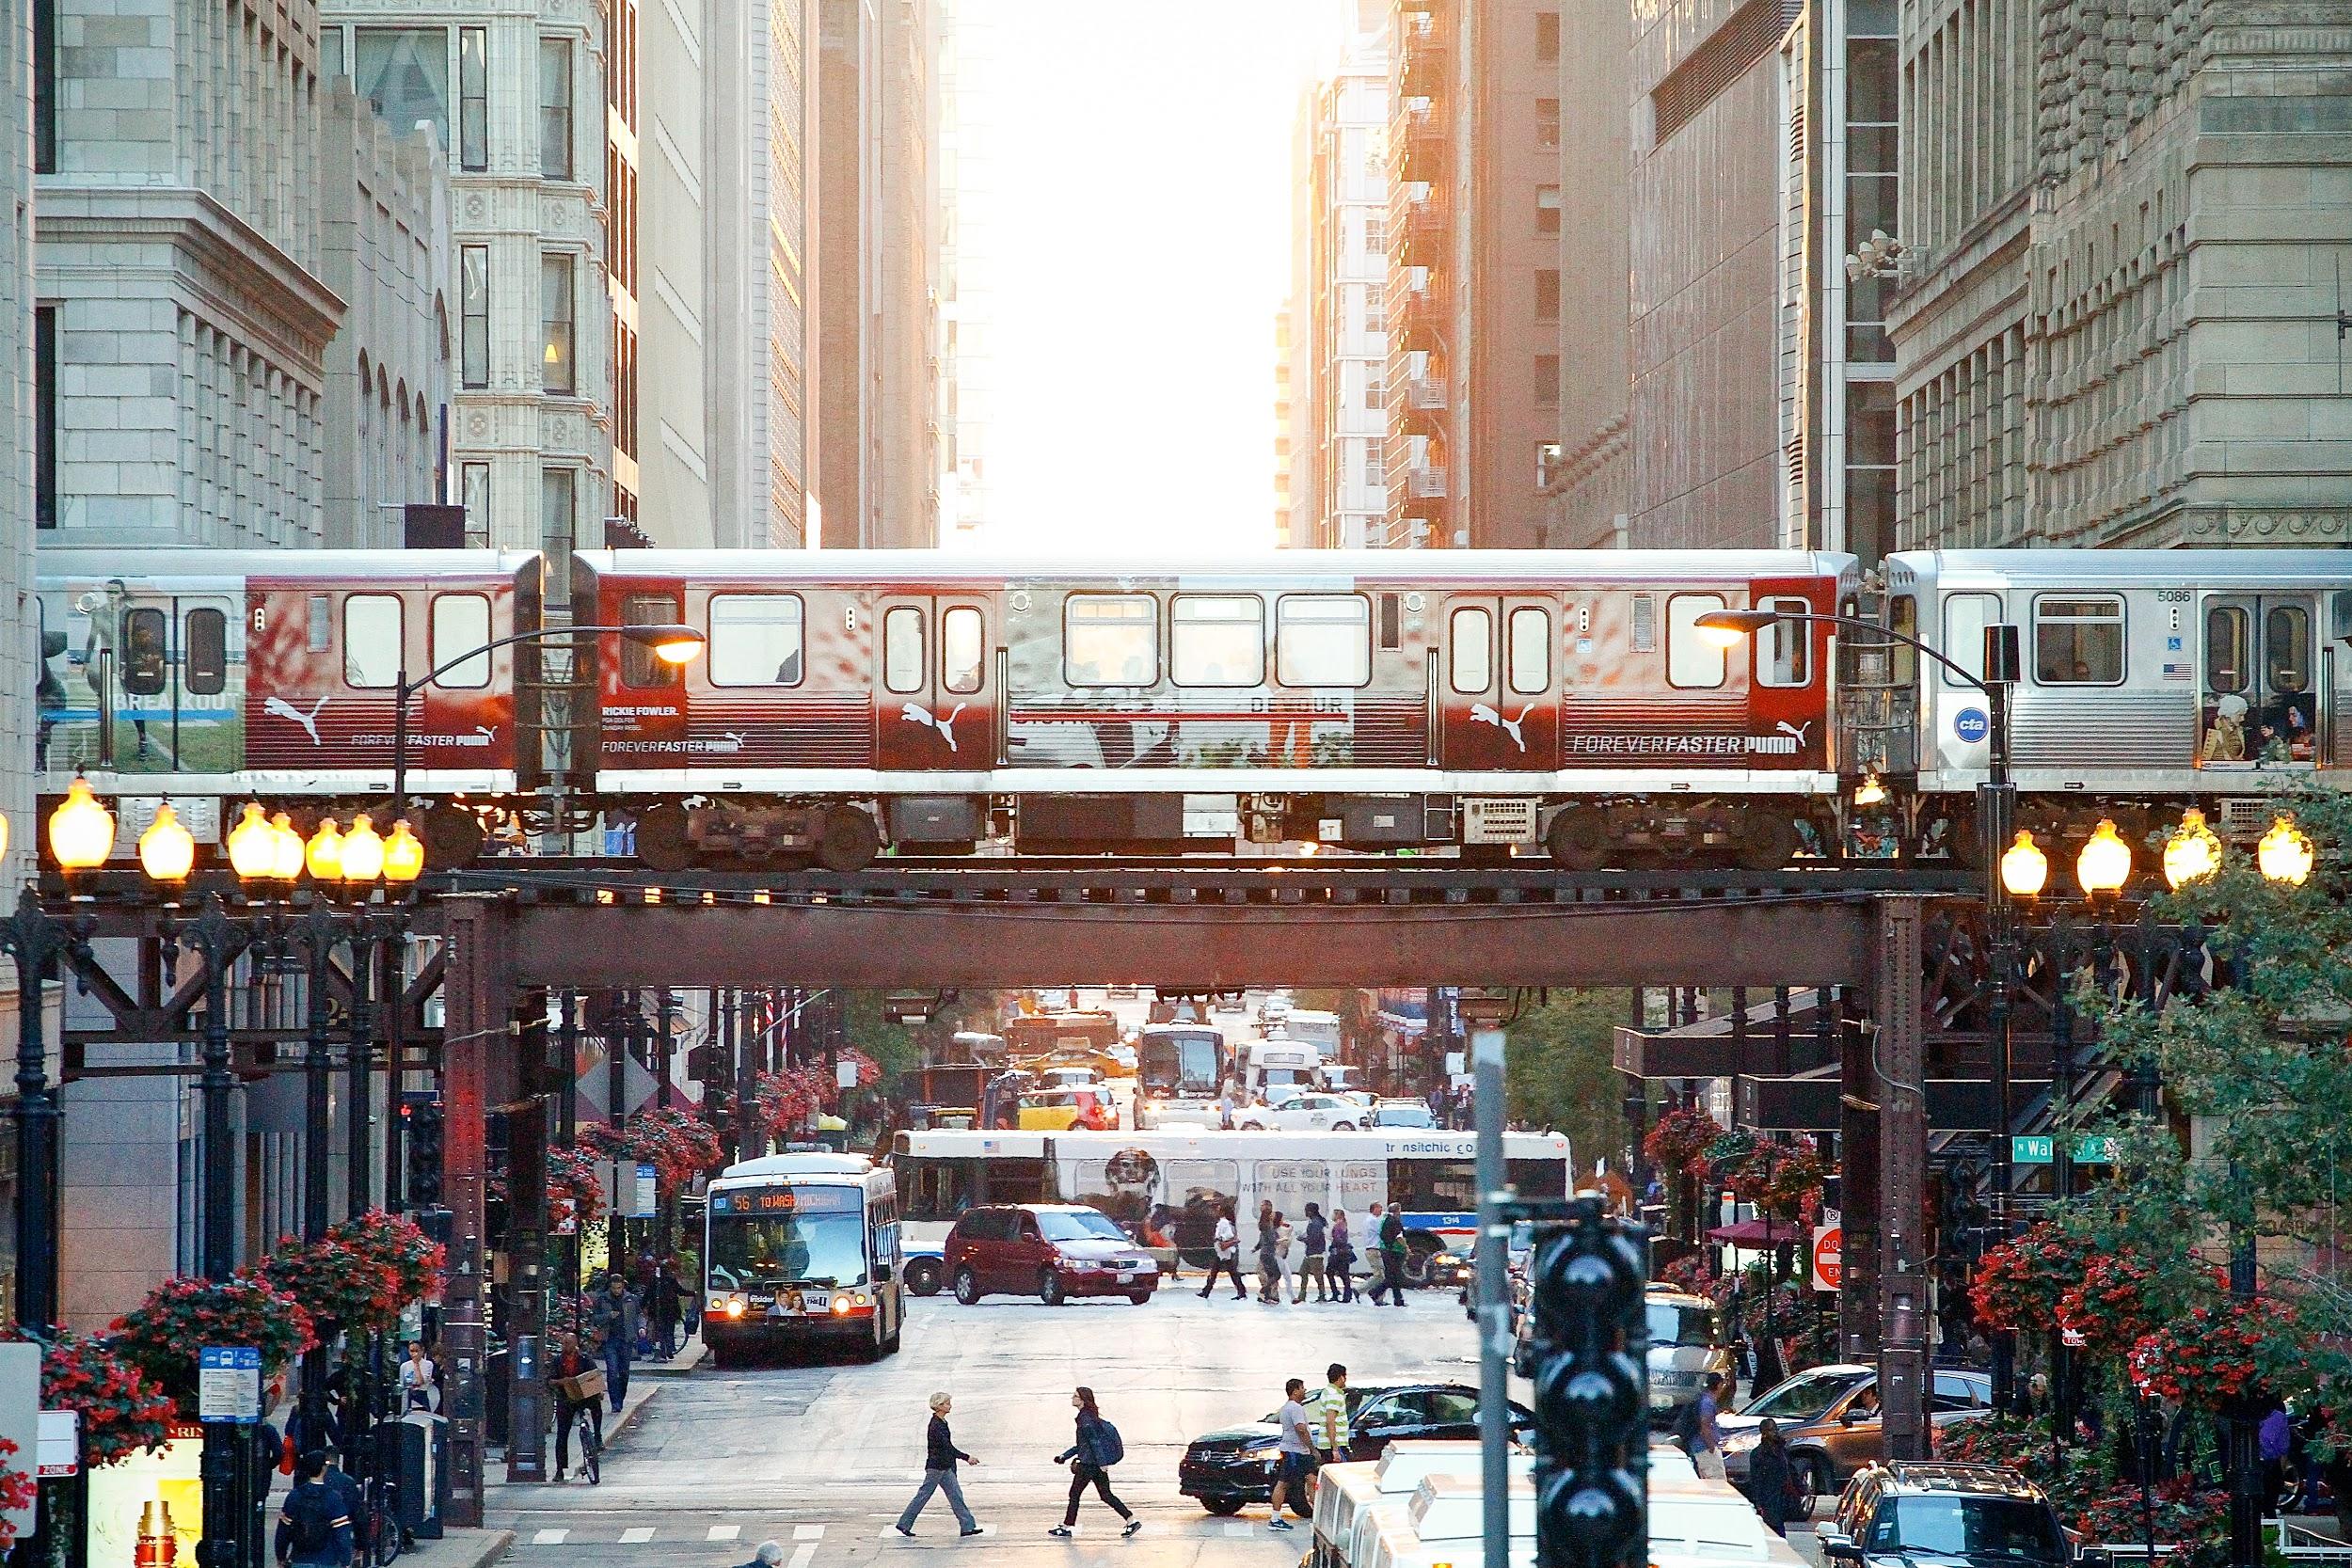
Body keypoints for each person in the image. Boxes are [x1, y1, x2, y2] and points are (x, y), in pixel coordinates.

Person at [1050, 1387, 1139, 1538]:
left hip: (1089, 1464)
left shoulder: (1086, 1419)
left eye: (1075, 1396)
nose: (1072, 1398)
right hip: (1094, 1463)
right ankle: (1131, 1521)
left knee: (1075, 1494)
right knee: (1105, 1495)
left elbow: (1094, 1442)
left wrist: (1102, 1463)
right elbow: (1083, 1445)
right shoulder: (1088, 1417)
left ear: (1083, 1400)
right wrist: (1064, 1456)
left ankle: (1066, 1527)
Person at [896, 1391, 984, 1538]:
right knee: (923, 1496)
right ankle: (904, 1523)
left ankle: (967, 1527)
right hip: (936, 1468)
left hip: (944, 1466)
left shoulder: (941, 1422)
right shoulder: (936, 1425)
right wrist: (966, 1457)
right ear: (939, 1406)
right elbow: (947, 1447)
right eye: (947, 1403)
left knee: (956, 1496)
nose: (950, 1405)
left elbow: (947, 1448)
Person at [276, 1450, 355, 1567]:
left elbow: (283, 1532)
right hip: (326, 1559)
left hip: (299, 1559)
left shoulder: (294, 1496)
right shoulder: (333, 1498)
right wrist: (346, 1560)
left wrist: (281, 1556)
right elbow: (342, 1534)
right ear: (324, 1469)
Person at [550, 1332, 602, 1482]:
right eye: (564, 1343)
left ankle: (597, 1436)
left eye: (568, 1343)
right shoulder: (558, 1361)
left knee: (596, 1407)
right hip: (566, 1398)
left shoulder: (585, 1359)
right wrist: (563, 1382)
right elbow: (550, 1380)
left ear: (575, 1344)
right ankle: (560, 1469)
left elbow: (594, 1375)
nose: (565, 1346)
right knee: (562, 1434)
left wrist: (598, 1391)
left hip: (584, 1396)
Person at [1266, 1378, 1315, 1530]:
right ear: (1295, 1391)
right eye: (1302, 1388)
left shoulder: (1287, 1408)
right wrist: (1312, 1448)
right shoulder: (1295, 1408)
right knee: (1284, 1483)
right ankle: (1275, 1519)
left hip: (1295, 1451)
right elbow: (1301, 1429)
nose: (1305, 1390)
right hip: (1295, 1452)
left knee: (1311, 1479)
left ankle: (1316, 1513)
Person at [590, 1272, 639, 1414]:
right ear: (610, 1287)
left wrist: (641, 1328)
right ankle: (615, 1402)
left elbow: (638, 1314)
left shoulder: (631, 1299)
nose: (616, 1291)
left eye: (619, 1287)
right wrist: (608, 1316)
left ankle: (620, 1397)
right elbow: (595, 1318)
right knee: (612, 1371)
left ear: (623, 1286)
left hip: (626, 1340)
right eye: (614, 1288)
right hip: (610, 1339)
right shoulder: (603, 1299)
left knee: (624, 1372)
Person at [1746, 1418, 1798, 1536]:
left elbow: (1791, 1470)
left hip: (1781, 1496)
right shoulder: (1758, 1454)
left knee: (1779, 1528)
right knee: (1774, 1530)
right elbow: (1755, 1479)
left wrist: (1800, 1488)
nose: (1775, 1432)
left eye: (1775, 1429)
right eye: (1771, 1430)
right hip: (1768, 1497)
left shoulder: (1781, 1450)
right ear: (1764, 1433)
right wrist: (1758, 1502)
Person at [1198, 1202, 1247, 1300]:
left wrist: (1220, 1238)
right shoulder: (1222, 1222)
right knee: (1218, 1271)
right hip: (1221, 1251)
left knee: (1228, 1272)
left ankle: (1207, 1291)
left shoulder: (1224, 1222)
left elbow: (1228, 1235)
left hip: (1223, 1252)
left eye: (1218, 1209)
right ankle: (1206, 1291)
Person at [1308, 1363, 1352, 1465]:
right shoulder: (1334, 1395)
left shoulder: (1327, 1392)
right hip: (1335, 1445)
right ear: (1341, 1377)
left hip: (1327, 1444)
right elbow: (1330, 1422)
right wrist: (1335, 1449)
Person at [1365, 1204, 1407, 1307]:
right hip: (1394, 1251)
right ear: (1398, 1211)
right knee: (1393, 1276)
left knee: (1393, 1276)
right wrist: (1407, 1247)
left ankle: (1398, 1299)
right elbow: (1399, 1237)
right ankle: (1375, 1292)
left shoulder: (1385, 1219)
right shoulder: (1395, 1221)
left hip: (1385, 1250)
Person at [1689, 1373, 1726, 1480]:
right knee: (1717, 1482)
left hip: (1701, 1448)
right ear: (1719, 1385)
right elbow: (1705, 1427)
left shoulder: (1704, 1400)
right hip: (1705, 1449)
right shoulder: (1707, 1403)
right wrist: (1711, 1447)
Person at [650, 1261, 686, 1359]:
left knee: (660, 1331)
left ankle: (662, 1351)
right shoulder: (671, 1279)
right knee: (669, 1330)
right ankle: (669, 1349)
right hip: (671, 1309)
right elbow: (680, 1291)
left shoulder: (655, 1281)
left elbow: (648, 1294)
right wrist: (692, 1293)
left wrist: (642, 1306)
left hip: (659, 1310)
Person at [1297, 1204, 1328, 1303]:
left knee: (1318, 1276)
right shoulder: (1314, 1222)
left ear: (1311, 1211)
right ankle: (1302, 1295)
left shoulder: (1315, 1223)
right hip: (1310, 1253)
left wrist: (1303, 1239)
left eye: (1306, 1210)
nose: (1305, 1212)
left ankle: (1322, 1294)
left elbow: (1314, 1239)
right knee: (1303, 1272)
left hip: (1315, 1253)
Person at [398, 1340, 438, 1414]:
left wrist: (416, 1365)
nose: (414, 1354)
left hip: (422, 1394)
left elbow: (421, 1382)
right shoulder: (404, 1366)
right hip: (408, 1396)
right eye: (411, 1351)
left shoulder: (428, 1364)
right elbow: (403, 1385)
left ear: (422, 1350)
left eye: (417, 1351)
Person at [1255, 1203, 1283, 1304]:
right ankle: (1268, 1293)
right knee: (1272, 1274)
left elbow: (1264, 1240)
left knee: (1267, 1273)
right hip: (1269, 1254)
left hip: (1267, 1254)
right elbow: (1271, 1240)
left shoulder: (1267, 1227)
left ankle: (1267, 1293)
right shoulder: (1269, 1228)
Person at [1327, 1210, 1357, 1303]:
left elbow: (1338, 1238)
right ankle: (1346, 1294)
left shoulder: (1338, 1225)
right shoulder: (1343, 1224)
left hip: (1338, 1253)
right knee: (1344, 1274)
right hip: (1343, 1252)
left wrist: (1333, 1239)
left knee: (1331, 1272)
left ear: (1338, 1215)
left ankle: (1338, 1293)